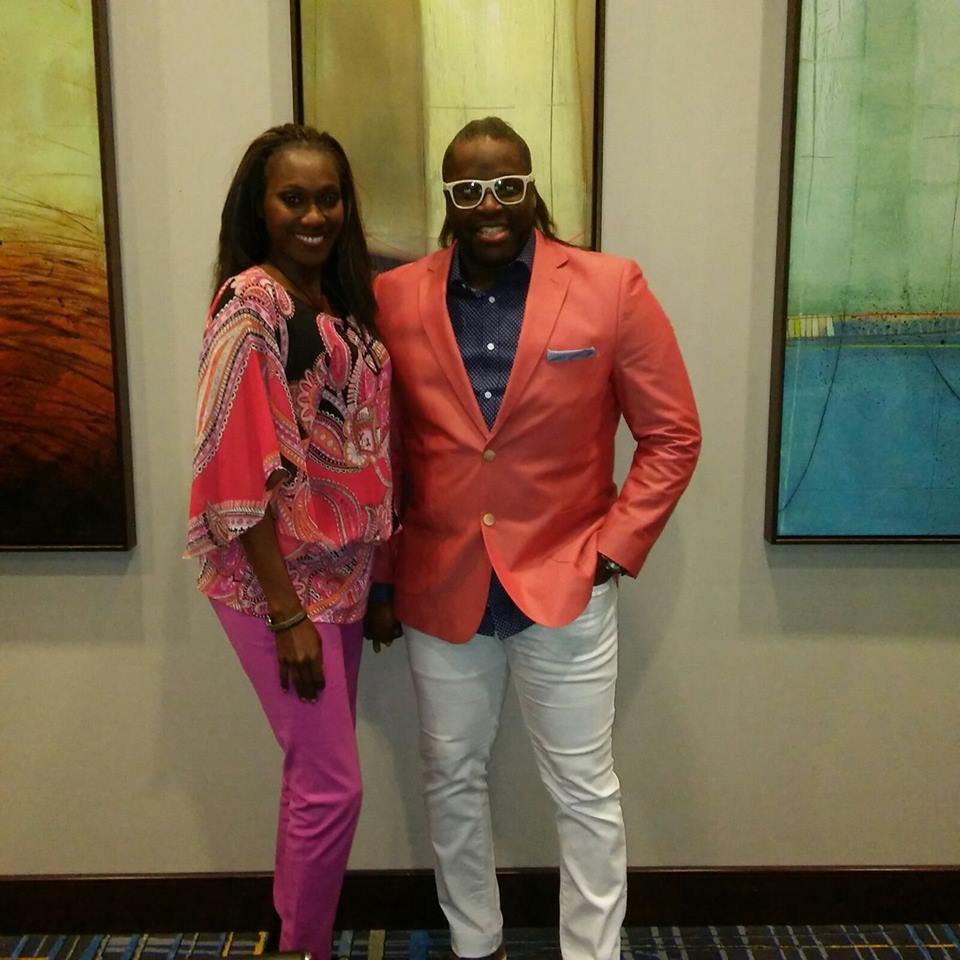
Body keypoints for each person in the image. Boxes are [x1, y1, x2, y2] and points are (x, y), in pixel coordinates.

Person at [366, 117, 701, 960]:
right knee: (451, 781)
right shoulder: (395, 297)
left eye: (507, 185)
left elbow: (673, 434)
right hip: (443, 586)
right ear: (448, 198)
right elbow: (377, 451)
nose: (490, 205)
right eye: (470, 189)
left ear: (531, 187)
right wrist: (380, 576)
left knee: (585, 792)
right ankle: (474, 944)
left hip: (566, 583)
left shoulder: (609, 286)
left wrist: (614, 548)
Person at [185, 124, 392, 954]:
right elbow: (234, 470)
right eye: (293, 198)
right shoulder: (253, 304)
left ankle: (292, 936)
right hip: (275, 584)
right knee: (335, 790)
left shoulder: (338, 298)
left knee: (314, 784)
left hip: (342, 577)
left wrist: (377, 582)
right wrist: (283, 613)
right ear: (260, 208)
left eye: (328, 196)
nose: (315, 214)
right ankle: (305, 948)